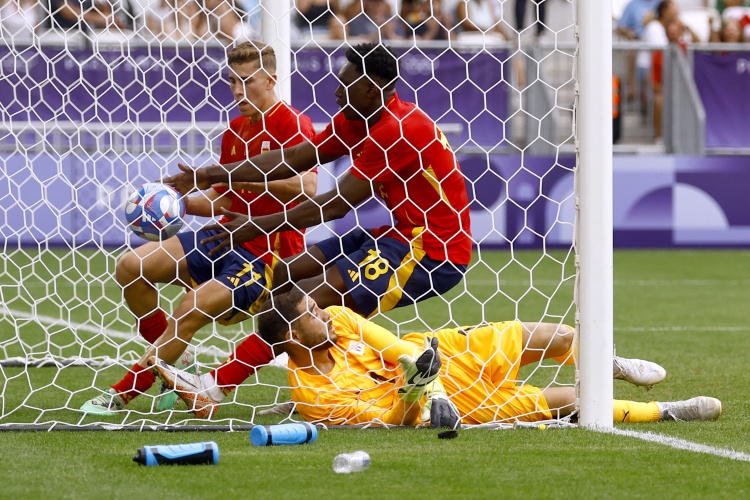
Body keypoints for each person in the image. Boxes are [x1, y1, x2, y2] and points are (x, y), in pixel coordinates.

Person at [155, 43, 472, 418]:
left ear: (372, 89)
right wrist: (212, 174)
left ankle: (213, 387)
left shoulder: (397, 129)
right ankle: (314, 382)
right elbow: (294, 157)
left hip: (433, 250)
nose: (336, 92)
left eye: (346, 85)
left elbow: (335, 204)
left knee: (309, 303)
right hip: (399, 233)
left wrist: (257, 225)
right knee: (285, 277)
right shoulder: (358, 118)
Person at [79, 41, 317, 416]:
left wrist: (237, 178)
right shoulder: (234, 131)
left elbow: (307, 187)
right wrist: (176, 204)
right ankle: (177, 365)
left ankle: (125, 392)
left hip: (266, 254)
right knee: (130, 266)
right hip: (225, 235)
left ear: (270, 80)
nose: (237, 90)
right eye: (232, 81)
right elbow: (225, 200)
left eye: (247, 81)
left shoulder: (293, 123)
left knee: (189, 309)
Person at [152, 289, 722, 426]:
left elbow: (396, 346)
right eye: (311, 314)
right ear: (292, 339)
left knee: (537, 333)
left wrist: (424, 371)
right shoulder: (312, 396)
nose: (324, 313)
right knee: (564, 402)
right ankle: (666, 412)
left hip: (438, 352)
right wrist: (418, 391)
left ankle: (611, 361)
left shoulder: (342, 319)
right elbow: (389, 418)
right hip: (435, 404)